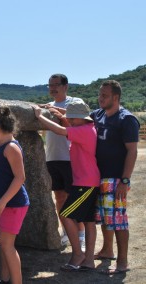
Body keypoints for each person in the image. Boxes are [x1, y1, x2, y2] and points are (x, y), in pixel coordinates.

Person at [33, 101, 100, 271]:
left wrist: (40, 116)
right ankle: (89, 260)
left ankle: (78, 254)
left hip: (85, 183)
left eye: (73, 118)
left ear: (81, 119)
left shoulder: (83, 131)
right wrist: (56, 113)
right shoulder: (88, 128)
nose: (70, 120)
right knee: (88, 220)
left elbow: (60, 130)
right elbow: (66, 124)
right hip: (89, 181)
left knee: (66, 214)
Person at [90, 80, 139, 275]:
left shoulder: (126, 119)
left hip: (116, 179)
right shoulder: (98, 115)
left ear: (116, 97)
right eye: (100, 95)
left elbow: (132, 151)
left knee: (118, 220)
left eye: (105, 96)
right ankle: (107, 250)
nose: (100, 98)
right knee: (105, 217)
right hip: (98, 176)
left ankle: (122, 262)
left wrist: (124, 180)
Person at [0, 106, 30, 284]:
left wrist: (2, 201)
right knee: (3, 244)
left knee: (7, 246)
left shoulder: (11, 148)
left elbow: (20, 178)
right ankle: (4, 279)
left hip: (12, 204)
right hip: (4, 204)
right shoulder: (3, 144)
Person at [39, 74, 86, 249]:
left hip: (70, 158)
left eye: (56, 85)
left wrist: (60, 114)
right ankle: (66, 231)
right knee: (59, 197)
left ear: (66, 86)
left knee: (74, 198)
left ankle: (81, 235)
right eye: (49, 85)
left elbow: (82, 126)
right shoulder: (48, 106)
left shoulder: (74, 103)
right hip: (52, 157)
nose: (52, 88)